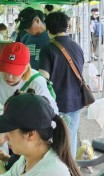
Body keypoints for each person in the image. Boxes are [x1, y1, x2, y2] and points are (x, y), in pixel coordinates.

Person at [0, 42, 58, 144]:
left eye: (14, 72)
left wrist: (8, 133)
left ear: (26, 68)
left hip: (38, 128)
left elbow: (41, 121)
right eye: (5, 70)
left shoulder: (37, 83)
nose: (9, 77)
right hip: (15, 124)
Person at [39, 12, 85, 158]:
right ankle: (70, 172)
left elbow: (43, 79)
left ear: (48, 28)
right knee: (70, 137)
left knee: (53, 140)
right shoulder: (77, 47)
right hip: (75, 101)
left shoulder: (48, 49)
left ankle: (58, 172)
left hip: (56, 102)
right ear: (67, 26)